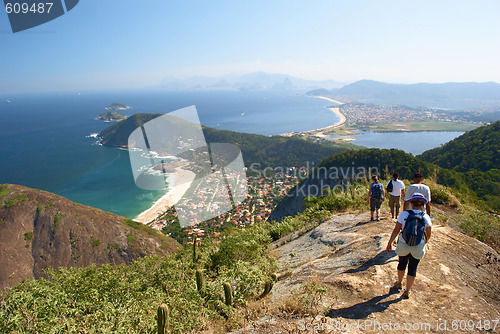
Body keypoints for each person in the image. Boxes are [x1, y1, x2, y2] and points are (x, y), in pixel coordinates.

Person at [386, 193, 432, 299]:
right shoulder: (425, 217)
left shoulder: (404, 214)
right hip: (418, 245)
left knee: (402, 263)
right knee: (412, 268)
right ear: (423, 205)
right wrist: (424, 242)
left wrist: (389, 243)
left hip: (403, 243)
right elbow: (428, 233)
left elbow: (397, 229)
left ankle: (399, 283)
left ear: (411, 203)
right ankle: (407, 290)